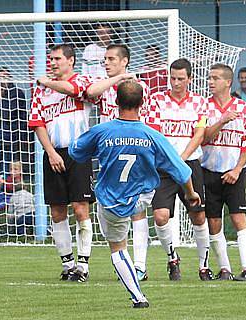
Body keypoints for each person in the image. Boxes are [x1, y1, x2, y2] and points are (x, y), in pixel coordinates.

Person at [69, 80, 200, 308]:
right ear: (142, 103)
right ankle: (140, 263)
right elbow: (182, 170)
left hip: (111, 201)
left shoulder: (102, 131)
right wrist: (190, 194)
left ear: (116, 102)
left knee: (118, 248)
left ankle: (138, 296)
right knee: (140, 213)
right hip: (142, 198)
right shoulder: (153, 135)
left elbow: (76, 152)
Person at [85, 43, 156, 281]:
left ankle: (139, 265)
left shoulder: (139, 88)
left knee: (136, 210)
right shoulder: (106, 85)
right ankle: (126, 264)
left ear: (125, 61)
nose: (106, 62)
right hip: (109, 156)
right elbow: (91, 92)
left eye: (111, 59)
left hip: (133, 153)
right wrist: (118, 79)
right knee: (115, 211)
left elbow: (148, 121)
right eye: (105, 59)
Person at [29, 43, 95, 282]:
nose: (53, 63)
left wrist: (46, 81)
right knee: (57, 210)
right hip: (54, 153)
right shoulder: (41, 93)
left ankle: (83, 265)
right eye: (51, 59)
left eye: (57, 59)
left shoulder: (83, 80)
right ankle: (67, 264)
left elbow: (73, 89)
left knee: (80, 208)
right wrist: (50, 152)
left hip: (79, 153)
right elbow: (38, 123)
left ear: (71, 61)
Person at [146, 58, 213, 281]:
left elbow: (199, 134)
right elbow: (155, 135)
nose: (175, 82)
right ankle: (172, 258)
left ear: (189, 79)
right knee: (160, 216)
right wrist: (172, 160)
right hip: (164, 167)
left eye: (180, 79)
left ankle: (204, 266)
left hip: (190, 164)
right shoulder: (156, 100)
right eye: (172, 78)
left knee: (199, 215)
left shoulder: (200, 102)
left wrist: (181, 159)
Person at [201, 63, 246, 281]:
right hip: (209, 171)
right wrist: (222, 121)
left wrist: (238, 168)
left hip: (235, 172)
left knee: (238, 218)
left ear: (227, 82)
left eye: (215, 78)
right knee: (213, 221)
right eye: (209, 78)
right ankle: (225, 268)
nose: (210, 82)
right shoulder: (204, 107)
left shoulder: (243, 108)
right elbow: (203, 137)